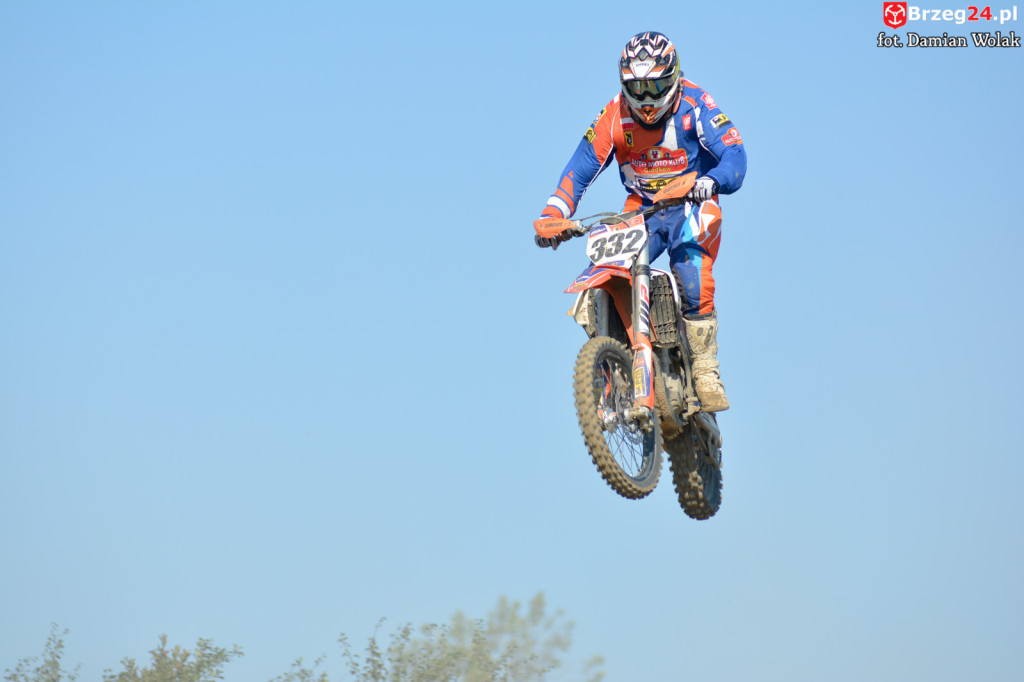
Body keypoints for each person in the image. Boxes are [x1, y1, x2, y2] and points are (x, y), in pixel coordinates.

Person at [535, 31, 747, 412]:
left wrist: (712, 181)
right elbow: (578, 170)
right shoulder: (614, 115)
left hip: (689, 202)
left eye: (655, 87)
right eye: (638, 88)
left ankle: (704, 367)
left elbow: (735, 154)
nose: (647, 100)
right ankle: (613, 359)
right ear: (624, 85)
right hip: (642, 208)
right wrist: (554, 214)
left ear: (674, 78)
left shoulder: (696, 104)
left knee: (691, 267)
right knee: (602, 271)